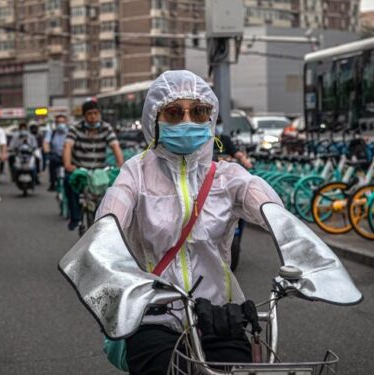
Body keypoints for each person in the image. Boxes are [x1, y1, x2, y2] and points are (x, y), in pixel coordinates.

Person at [94, 70, 284, 374]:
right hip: (153, 313)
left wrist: (297, 244)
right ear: (154, 119)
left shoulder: (227, 176)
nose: (187, 121)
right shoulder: (136, 173)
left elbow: (272, 210)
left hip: (218, 313)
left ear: (210, 117)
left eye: (198, 112)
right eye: (173, 112)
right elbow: (112, 215)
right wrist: (103, 241)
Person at [62, 100, 124, 231]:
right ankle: (75, 217)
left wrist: (120, 165)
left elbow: (115, 146)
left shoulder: (106, 128)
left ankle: (114, 219)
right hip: (80, 169)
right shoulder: (75, 128)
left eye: (96, 113)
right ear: (84, 115)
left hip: (100, 171)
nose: (93, 116)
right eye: (89, 114)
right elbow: (68, 146)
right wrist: (68, 164)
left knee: (117, 185)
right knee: (68, 181)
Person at [44, 114, 69, 191]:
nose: (61, 124)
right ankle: (52, 183)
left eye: (63, 122)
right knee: (52, 163)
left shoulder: (71, 132)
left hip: (68, 156)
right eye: (59, 122)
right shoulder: (52, 133)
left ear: (66, 123)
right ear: (56, 123)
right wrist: (46, 149)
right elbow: (46, 142)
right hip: (56, 155)